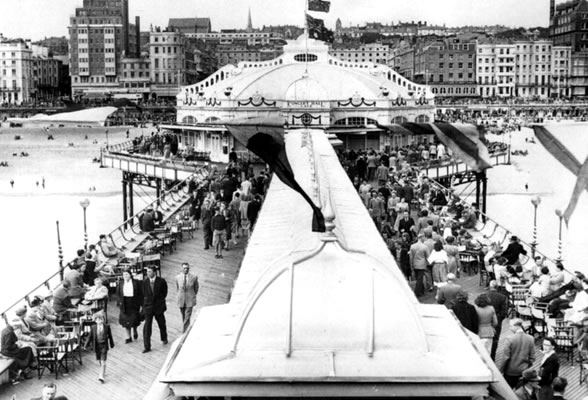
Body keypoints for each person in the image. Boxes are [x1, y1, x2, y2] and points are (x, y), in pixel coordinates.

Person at [498, 318, 536, 388]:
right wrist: (527, 366)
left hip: (510, 372)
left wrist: (501, 370)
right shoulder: (530, 338)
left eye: (511, 326)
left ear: (516, 326)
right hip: (523, 371)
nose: (510, 328)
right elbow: (533, 357)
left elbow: (505, 357)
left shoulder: (509, 339)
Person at [141, 265, 168, 353]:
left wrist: (159, 301)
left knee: (162, 324)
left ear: (154, 272)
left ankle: (164, 338)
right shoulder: (144, 282)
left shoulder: (161, 281)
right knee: (147, 327)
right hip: (148, 307)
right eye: (147, 271)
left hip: (158, 307)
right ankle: (147, 346)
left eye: (149, 271)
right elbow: (143, 294)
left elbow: (164, 293)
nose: (147, 273)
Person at [116, 269, 142, 343]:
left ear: (130, 275)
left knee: (134, 319)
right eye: (124, 275)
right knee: (125, 321)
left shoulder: (136, 283)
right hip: (124, 303)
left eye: (127, 274)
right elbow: (118, 294)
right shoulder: (121, 283)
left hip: (133, 303)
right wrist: (119, 302)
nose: (125, 276)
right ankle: (128, 337)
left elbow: (140, 293)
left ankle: (135, 329)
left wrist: (140, 303)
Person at [486, 280, 509, 360]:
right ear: (497, 287)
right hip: (497, 321)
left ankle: (486, 356)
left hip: (485, 320)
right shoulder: (502, 297)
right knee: (495, 339)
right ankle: (492, 357)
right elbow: (504, 312)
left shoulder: (485, 295)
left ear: (490, 286)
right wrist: (499, 319)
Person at [90, 311, 114, 383]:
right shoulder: (93, 327)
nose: (99, 321)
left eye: (101, 319)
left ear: (103, 320)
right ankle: (102, 369)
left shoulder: (107, 327)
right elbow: (90, 336)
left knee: (103, 361)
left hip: (104, 345)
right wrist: (86, 344)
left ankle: (101, 376)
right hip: (97, 346)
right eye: (97, 319)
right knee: (100, 360)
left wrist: (112, 344)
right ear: (95, 321)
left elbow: (110, 336)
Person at [176, 263, 199, 333]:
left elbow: (196, 288)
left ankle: (184, 332)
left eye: (187, 268)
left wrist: (192, 295)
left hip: (190, 299)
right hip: (181, 299)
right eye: (184, 268)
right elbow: (178, 288)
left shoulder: (194, 277)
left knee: (187, 316)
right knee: (184, 316)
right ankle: (187, 328)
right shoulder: (177, 277)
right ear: (182, 269)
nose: (186, 270)